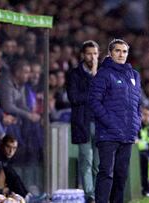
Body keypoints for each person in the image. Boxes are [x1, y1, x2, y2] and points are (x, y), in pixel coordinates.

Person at [89, 39, 142, 203]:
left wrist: (136, 123)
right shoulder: (104, 74)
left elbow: (138, 102)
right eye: (118, 51)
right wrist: (110, 122)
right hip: (108, 134)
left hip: (127, 134)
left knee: (121, 175)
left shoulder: (134, 75)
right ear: (110, 53)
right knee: (106, 173)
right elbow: (93, 101)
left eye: (124, 51)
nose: (121, 54)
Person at [66, 40, 100, 203]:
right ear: (82, 55)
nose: (92, 57)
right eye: (89, 53)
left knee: (99, 164)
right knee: (86, 160)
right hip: (83, 124)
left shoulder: (104, 74)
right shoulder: (74, 74)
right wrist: (93, 78)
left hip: (101, 124)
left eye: (95, 54)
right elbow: (74, 97)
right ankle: (90, 195)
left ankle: (99, 194)